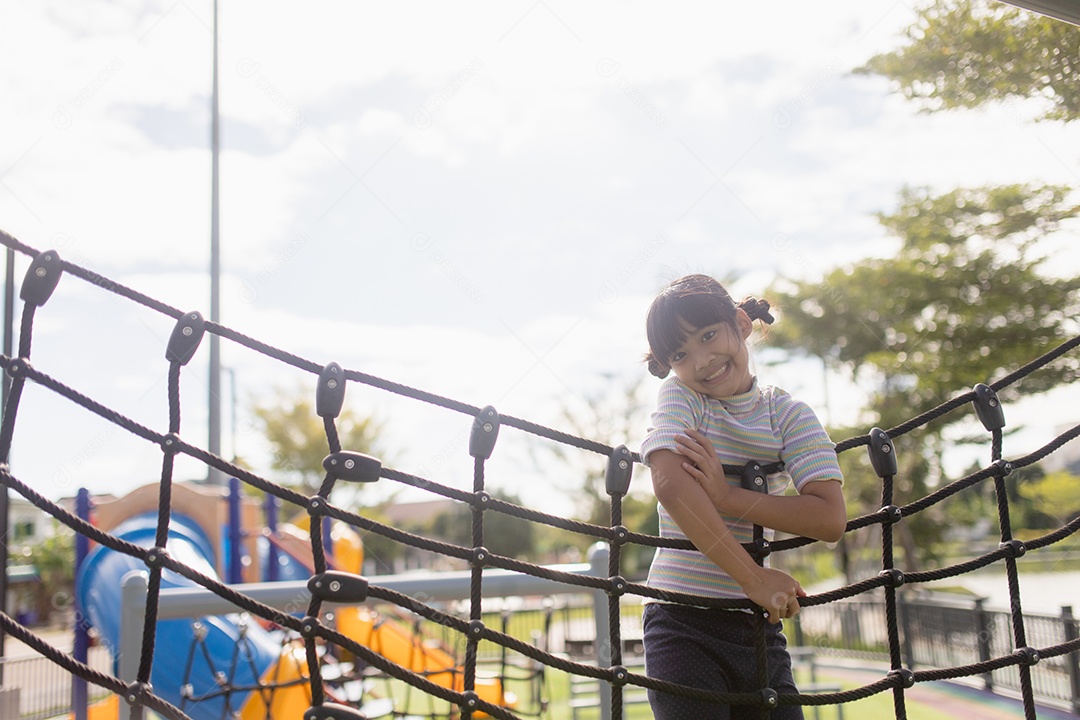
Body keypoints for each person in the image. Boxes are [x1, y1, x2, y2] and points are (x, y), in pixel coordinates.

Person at [638, 273, 846, 719]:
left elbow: (829, 519)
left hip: (758, 623)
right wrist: (753, 578)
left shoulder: (788, 415)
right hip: (682, 622)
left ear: (740, 323)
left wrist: (728, 497)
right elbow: (671, 484)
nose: (702, 360)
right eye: (680, 353)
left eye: (709, 335)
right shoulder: (683, 396)